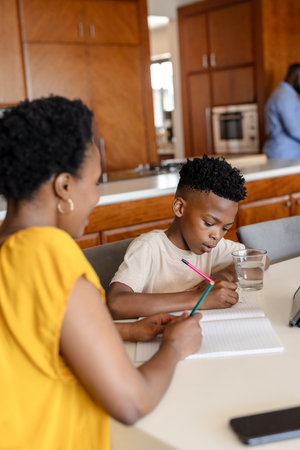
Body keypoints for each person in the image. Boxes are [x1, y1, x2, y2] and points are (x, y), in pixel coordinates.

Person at [0, 96, 202, 449]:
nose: (96, 197)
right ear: (64, 187)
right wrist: (173, 346)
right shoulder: (50, 257)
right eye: (94, 182)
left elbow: (32, 336)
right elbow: (131, 402)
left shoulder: (8, 248)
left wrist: (126, 331)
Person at [107, 155, 248, 320]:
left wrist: (223, 276)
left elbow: (257, 258)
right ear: (180, 207)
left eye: (225, 228)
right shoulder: (149, 248)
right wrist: (199, 299)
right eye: (209, 223)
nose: (216, 235)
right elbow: (116, 304)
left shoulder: (211, 247)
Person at [263, 63, 300, 159]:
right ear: (297, 76)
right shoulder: (285, 96)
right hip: (284, 155)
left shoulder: (284, 94)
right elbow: (294, 129)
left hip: (284, 153)